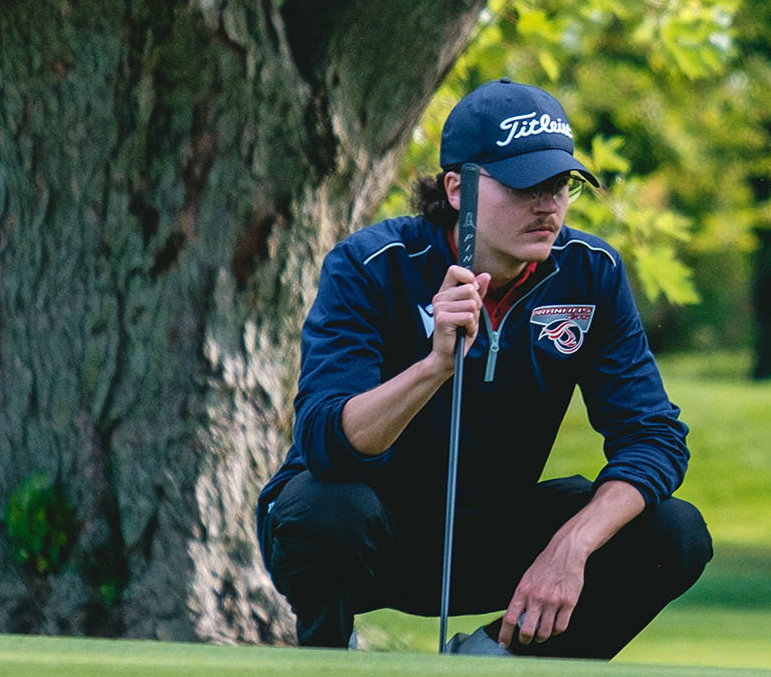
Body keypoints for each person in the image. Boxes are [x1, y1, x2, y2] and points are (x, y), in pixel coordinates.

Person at [255, 78, 710, 658]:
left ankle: (498, 659)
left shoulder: (590, 273)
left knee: (672, 532)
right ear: (456, 189)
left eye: (560, 185)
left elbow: (653, 438)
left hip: (492, 534)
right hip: (367, 535)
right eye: (525, 186)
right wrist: (434, 367)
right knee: (325, 509)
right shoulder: (370, 266)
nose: (548, 205)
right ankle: (328, 660)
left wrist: (571, 544)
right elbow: (325, 444)